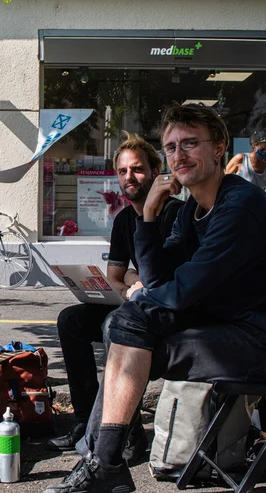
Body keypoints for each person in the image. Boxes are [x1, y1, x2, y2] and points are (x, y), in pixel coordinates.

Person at [31, 104, 266, 493]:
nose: (178, 155)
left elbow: (182, 291)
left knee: (128, 325)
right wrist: (149, 215)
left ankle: (102, 463)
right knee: (124, 325)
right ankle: (102, 463)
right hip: (233, 327)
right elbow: (158, 278)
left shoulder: (240, 207)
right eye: (171, 147)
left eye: (190, 143)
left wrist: (143, 304)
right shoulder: (193, 211)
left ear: (219, 148)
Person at [47, 133, 183, 458]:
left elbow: (167, 278)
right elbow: (114, 277)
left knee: (114, 325)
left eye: (137, 169)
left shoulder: (176, 213)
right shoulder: (123, 219)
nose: (128, 177)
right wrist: (131, 285)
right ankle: (84, 421)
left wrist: (138, 283)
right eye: (122, 171)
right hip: (138, 305)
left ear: (154, 171)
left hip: (168, 316)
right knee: (71, 321)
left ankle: (126, 436)